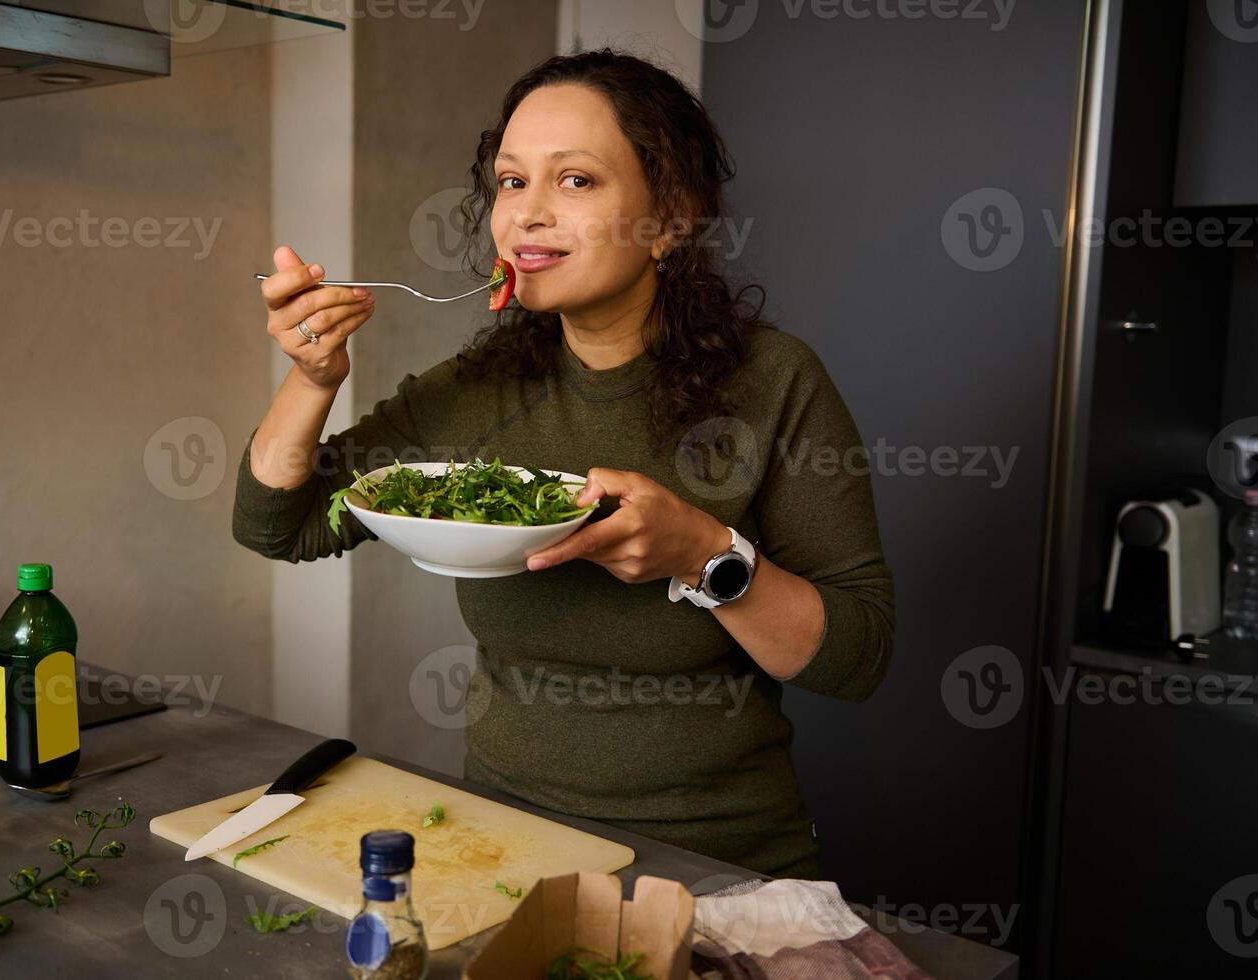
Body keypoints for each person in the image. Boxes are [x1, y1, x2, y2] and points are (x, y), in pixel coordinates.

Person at [234, 49, 894, 879]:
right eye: (511, 183)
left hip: (717, 863)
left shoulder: (774, 382)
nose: (525, 216)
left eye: (574, 181)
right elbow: (276, 525)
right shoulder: (480, 387)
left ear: (670, 218)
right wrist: (311, 379)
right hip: (506, 846)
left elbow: (858, 656)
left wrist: (703, 555)